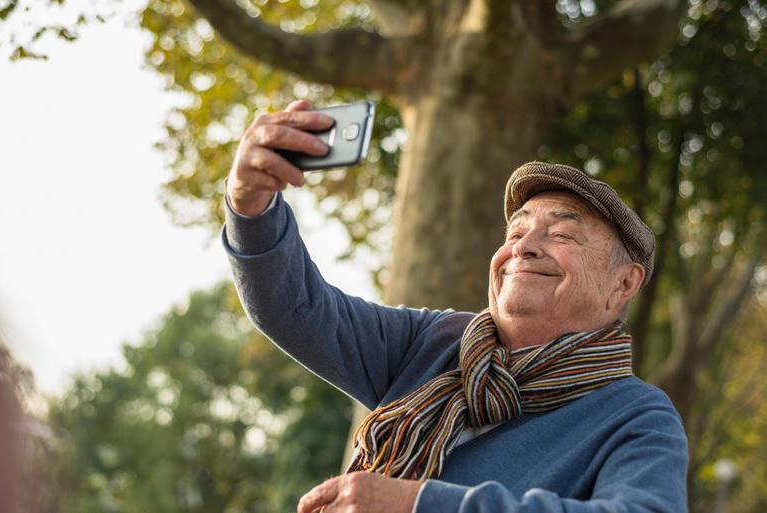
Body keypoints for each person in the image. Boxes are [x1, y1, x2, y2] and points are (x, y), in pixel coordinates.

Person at [221, 100, 689, 513]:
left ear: (623, 284)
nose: (524, 247)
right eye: (515, 232)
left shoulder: (638, 415)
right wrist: (250, 205)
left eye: (562, 234)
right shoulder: (434, 341)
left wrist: (420, 504)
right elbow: (296, 310)